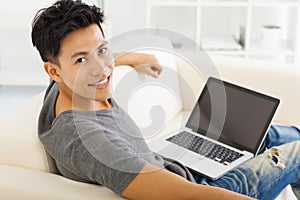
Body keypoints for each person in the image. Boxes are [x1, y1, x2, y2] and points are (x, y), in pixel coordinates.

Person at [32, 0, 300, 199]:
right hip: (207, 189)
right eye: (81, 60)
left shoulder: (64, 86)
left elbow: (91, 57)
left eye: (103, 49)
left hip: (177, 162)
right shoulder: (91, 144)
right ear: (53, 71)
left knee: (265, 133)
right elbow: (185, 195)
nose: (101, 68)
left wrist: (129, 58)